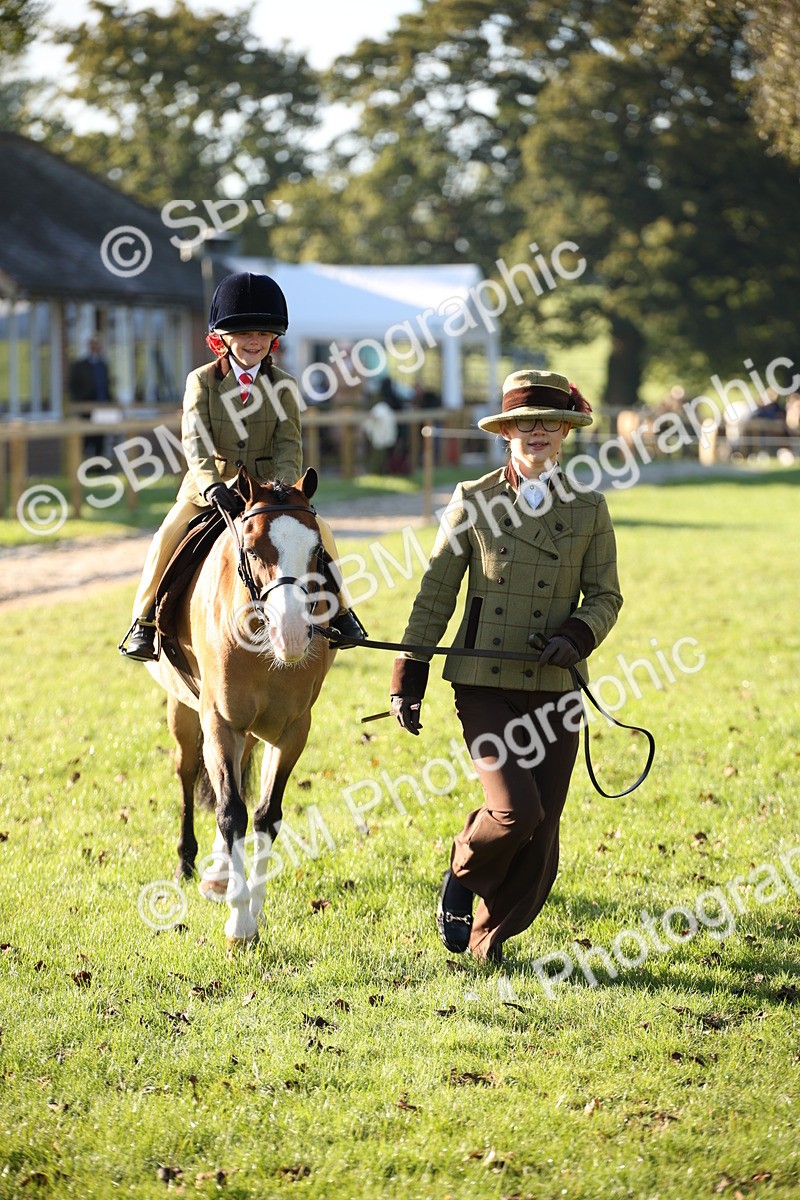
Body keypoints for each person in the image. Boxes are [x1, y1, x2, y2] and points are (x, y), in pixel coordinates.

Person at [389, 369, 623, 965]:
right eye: (525, 423)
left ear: (565, 432)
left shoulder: (591, 509)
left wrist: (578, 633)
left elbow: (605, 596)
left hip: (556, 685)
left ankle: (486, 942)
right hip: (483, 681)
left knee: (542, 834)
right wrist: (409, 675)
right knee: (516, 811)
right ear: (507, 432)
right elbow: (437, 591)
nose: (537, 433)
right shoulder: (473, 500)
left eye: (549, 423)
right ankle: (463, 869)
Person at [120, 271, 365, 662]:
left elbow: (289, 443)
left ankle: (345, 613)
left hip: (269, 495)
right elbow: (195, 440)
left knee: (323, 533)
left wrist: (278, 490)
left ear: (274, 339)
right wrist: (212, 485)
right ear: (224, 338)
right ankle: (143, 621)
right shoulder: (201, 381)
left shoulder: (283, 384)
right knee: (165, 536)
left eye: (263, 334)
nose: (255, 341)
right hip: (211, 490)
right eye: (246, 333)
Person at [68, 336, 115, 457]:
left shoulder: (103, 365)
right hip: (86, 408)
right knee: (87, 438)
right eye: (93, 345)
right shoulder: (80, 365)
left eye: (98, 346)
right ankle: (86, 467)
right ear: (89, 347)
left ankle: (100, 466)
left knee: (100, 437)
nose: (96, 348)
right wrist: (79, 402)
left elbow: (105, 386)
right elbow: (73, 386)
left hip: (102, 407)